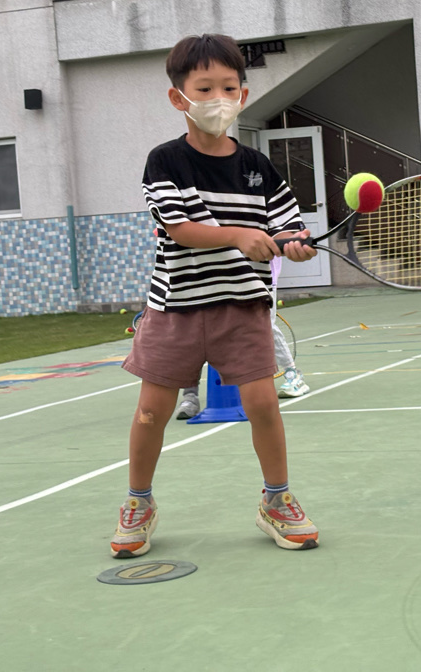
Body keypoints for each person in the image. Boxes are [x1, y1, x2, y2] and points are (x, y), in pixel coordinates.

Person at [112, 33, 320, 558]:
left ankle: (277, 500)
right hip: (175, 309)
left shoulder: (259, 167)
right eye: (204, 89)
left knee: (264, 405)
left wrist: (294, 246)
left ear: (243, 95)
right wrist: (238, 235)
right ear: (178, 97)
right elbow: (179, 228)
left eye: (229, 88)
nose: (218, 99)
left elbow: (287, 227)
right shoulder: (164, 161)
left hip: (243, 308)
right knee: (150, 413)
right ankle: (138, 503)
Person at [174, 255, 308, 420]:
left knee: (267, 327)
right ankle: (190, 396)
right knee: (199, 332)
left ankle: (292, 373)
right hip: (221, 280)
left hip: (261, 280)